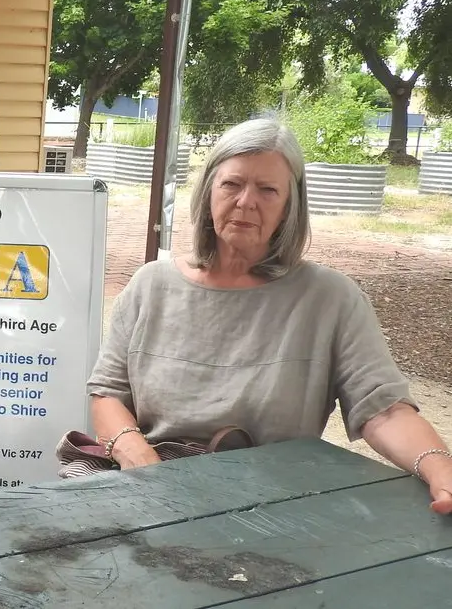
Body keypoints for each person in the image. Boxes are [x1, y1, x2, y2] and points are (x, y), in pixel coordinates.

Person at [87, 118, 452, 514]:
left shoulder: (330, 299)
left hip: (273, 506)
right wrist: (136, 454)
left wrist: (438, 467)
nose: (246, 201)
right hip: (151, 491)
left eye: (267, 189)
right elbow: (107, 391)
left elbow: (383, 410)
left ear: (289, 206)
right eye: (232, 184)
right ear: (208, 190)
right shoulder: (150, 286)